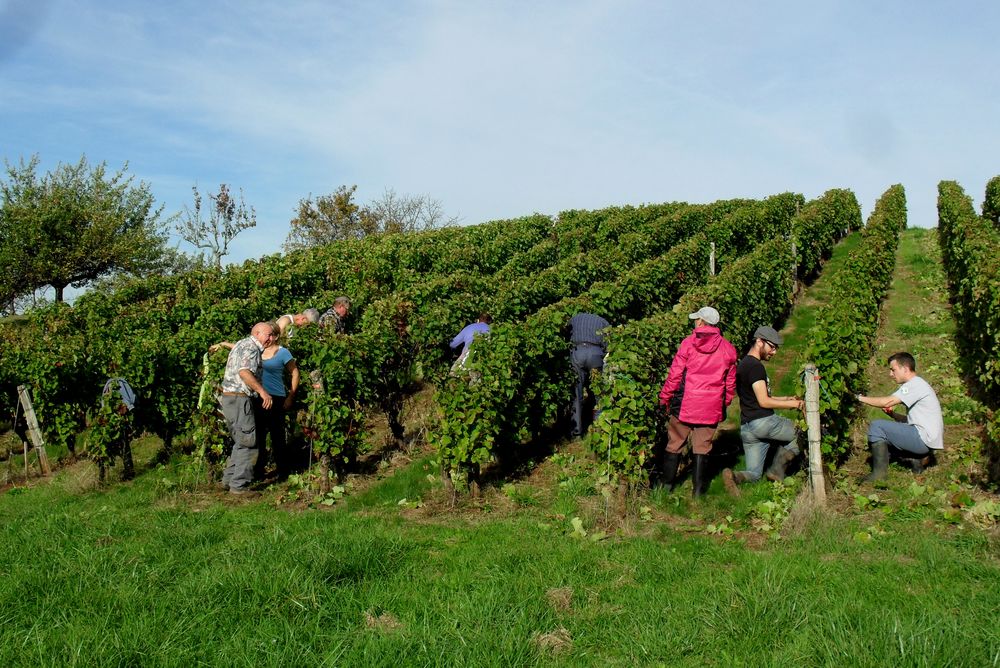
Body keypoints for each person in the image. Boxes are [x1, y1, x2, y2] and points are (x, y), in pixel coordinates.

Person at [655, 306, 737, 497]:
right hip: (710, 405)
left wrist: (665, 396)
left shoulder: (688, 343)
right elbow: (730, 383)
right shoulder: (728, 349)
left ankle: (666, 485)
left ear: (701, 322)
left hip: (685, 403)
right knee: (703, 446)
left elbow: (675, 375)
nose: (694, 322)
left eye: (696, 319)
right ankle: (698, 492)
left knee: (675, 442)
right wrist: (724, 403)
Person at [722, 325, 804, 495]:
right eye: (772, 347)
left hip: (747, 427)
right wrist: (794, 405)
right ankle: (776, 470)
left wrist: (786, 398)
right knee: (803, 432)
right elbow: (764, 401)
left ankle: (735, 477)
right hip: (764, 422)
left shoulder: (744, 364)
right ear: (759, 341)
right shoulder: (755, 367)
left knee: (754, 474)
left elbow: (755, 397)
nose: (774, 352)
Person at [211, 331, 301, 480]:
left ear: (277, 336)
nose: (270, 338)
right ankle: (257, 471)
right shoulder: (255, 349)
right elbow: (239, 349)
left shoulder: (283, 352)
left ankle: (282, 472)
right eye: (268, 335)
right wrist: (222, 344)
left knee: (277, 435)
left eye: (273, 335)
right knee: (257, 435)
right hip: (257, 397)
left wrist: (291, 396)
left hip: (276, 398)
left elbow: (295, 373)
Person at [856, 352, 943, 482]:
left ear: (905, 368)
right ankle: (915, 459)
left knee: (877, 426)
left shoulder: (915, 385)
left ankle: (879, 475)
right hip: (927, 440)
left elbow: (887, 402)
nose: (890, 374)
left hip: (923, 440)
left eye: (893, 370)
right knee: (890, 429)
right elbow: (915, 421)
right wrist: (893, 415)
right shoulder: (920, 384)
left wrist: (859, 398)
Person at [218, 322, 276, 494]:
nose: (271, 339)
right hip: (240, 398)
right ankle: (239, 485)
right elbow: (244, 372)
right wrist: (263, 392)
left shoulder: (241, 344)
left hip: (228, 398)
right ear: (258, 333)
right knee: (248, 442)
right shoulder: (251, 348)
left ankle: (228, 480)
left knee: (240, 441)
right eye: (269, 335)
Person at [568, 312, 610, 438]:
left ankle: (576, 433)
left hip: (577, 353)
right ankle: (599, 427)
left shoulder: (574, 318)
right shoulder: (603, 322)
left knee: (576, 393)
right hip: (595, 354)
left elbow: (567, 335)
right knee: (598, 392)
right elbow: (608, 345)